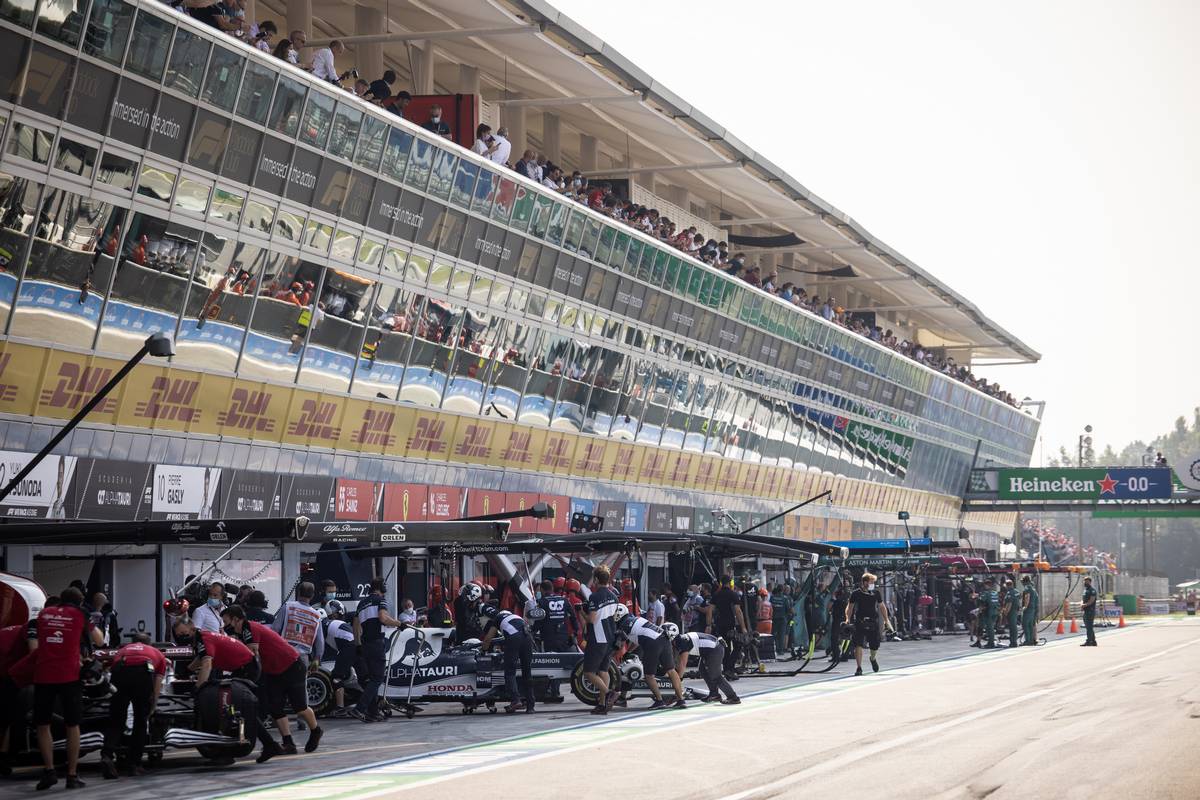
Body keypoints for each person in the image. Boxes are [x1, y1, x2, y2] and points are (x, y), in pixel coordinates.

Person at [172, 616, 282, 762]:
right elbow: (201, 658)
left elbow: (207, 664)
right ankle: (269, 745)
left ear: (192, 629)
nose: (182, 637)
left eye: (183, 633)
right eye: (178, 635)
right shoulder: (201, 638)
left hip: (247, 667)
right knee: (238, 709)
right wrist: (187, 671)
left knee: (236, 708)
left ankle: (232, 752)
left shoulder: (204, 639)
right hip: (244, 667)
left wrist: (199, 688)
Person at [222, 606, 322, 755]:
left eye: (226, 622)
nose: (225, 626)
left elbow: (252, 652)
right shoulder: (242, 633)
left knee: (300, 707)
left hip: (291, 666)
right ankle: (288, 743)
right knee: (275, 708)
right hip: (274, 671)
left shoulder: (249, 627)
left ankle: (316, 730)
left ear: (236, 619)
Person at [32, 587, 104, 790]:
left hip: (43, 674)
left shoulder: (44, 614)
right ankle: (72, 775)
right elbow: (99, 640)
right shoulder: (80, 613)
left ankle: (49, 771)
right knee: (72, 725)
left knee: (42, 724)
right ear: (80, 602)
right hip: (69, 676)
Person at [100, 633, 167, 779]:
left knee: (116, 719)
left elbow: (108, 670)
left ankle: (107, 755)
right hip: (142, 673)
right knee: (140, 722)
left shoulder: (122, 650)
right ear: (149, 644)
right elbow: (157, 684)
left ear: (132, 642)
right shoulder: (156, 653)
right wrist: (153, 705)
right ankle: (134, 764)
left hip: (120, 670)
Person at [349, 577, 405, 722]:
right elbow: (383, 618)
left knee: (371, 680)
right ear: (381, 588)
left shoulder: (361, 603)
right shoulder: (381, 600)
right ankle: (359, 709)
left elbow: (355, 625)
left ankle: (373, 713)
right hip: (376, 643)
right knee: (377, 679)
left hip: (365, 645)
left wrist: (358, 644)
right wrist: (399, 624)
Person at [614, 605, 685, 709]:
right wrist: (629, 651)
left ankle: (659, 701)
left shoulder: (624, 623)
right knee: (671, 670)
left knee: (648, 675)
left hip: (653, 643)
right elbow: (638, 638)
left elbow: (619, 643)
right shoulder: (636, 619)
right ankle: (681, 700)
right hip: (664, 639)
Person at [478, 604, 534, 713]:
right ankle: (530, 706)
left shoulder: (498, 618)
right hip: (528, 638)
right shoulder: (517, 617)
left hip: (514, 639)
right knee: (527, 672)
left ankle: (515, 700)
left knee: (510, 672)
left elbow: (488, 638)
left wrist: (483, 651)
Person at [668, 624, 739, 705]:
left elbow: (682, 664)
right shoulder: (680, 639)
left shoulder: (682, 642)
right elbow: (677, 662)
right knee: (702, 670)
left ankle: (733, 697)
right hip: (710, 649)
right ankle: (714, 694)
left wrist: (678, 680)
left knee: (716, 676)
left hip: (714, 649)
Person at [582, 565, 619, 715]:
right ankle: (602, 704)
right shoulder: (614, 596)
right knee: (603, 670)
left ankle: (610, 693)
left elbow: (591, 619)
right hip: (610, 638)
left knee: (588, 672)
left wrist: (580, 612)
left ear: (596, 579)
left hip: (598, 638)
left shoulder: (594, 596)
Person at [0, 617, 33, 775]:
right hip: (5, 673)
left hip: (8, 672)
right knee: (9, 715)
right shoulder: (33, 626)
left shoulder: (19, 628)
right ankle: (5, 756)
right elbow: (34, 651)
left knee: (9, 715)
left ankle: (5, 755)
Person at [845, 572, 892, 676]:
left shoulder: (876, 593)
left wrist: (886, 620)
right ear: (865, 582)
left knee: (874, 645)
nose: (872, 584)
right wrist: (847, 619)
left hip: (873, 621)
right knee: (858, 644)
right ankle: (859, 668)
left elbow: (882, 606)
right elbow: (850, 607)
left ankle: (873, 658)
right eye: (871, 582)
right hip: (860, 621)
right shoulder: (856, 593)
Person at [272, 581, 325, 668]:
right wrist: (317, 658)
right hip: (303, 658)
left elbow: (275, 629)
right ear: (312, 595)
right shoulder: (316, 615)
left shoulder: (287, 606)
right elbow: (320, 640)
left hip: (285, 654)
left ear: (298, 592)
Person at [320, 600, 357, 716]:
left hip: (349, 647)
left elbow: (318, 645)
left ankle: (340, 707)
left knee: (336, 677)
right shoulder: (341, 622)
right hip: (356, 644)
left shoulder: (322, 625)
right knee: (362, 677)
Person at [712, 575, 746, 677]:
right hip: (730, 624)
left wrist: (709, 624)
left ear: (721, 583)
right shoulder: (733, 594)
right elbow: (738, 611)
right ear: (730, 582)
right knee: (738, 645)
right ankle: (730, 668)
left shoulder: (716, 595)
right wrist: (743, 627)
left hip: (719, 624)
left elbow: (710, 610)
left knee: (725, 647)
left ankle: (726, 669)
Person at [979, 579, 999, 649]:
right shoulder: (995, 593)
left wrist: (977, 597)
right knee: (991, 628)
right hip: (995, 612)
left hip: (988, 612)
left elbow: (982, 601)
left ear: (987, 585)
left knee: (989, 628)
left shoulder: (986, 593)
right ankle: (991, 642)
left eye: (985, 585)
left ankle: (991, 643)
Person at [1021, 575, 1040, 647]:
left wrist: (1025, 607)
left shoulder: (1027, 588)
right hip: (1033, 610)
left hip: (1028, 609)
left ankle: (1028, 641)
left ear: (1025, 581)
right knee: (1031, 625)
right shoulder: (1033, 589)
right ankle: (1032, 640)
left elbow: (1027, 597)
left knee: (1025, 625)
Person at [1081, 576, 1098, 646]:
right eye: (1085, 581)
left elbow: (1091, 600)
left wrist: (1084, 605)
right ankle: (1093, 641)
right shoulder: (1085, 590)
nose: (1085, 582)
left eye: (1087, 581)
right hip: (1085, 610)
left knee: (1089, 627)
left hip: (1090, 611)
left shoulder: (1092, 590)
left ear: (1090, 582)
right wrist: (1081, 604)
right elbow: (1083, 599)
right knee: (1088, 626)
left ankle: (1089, 641)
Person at [1004, 579, 1021, 648]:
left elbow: (1009, 604)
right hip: (1016, 611)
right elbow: (1019, 600)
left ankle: (1013, 642)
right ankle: (1014, 641)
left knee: (1012, 627)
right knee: (1014, 627)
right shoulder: (1017, 591)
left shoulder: (1009, 593)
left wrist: (1006, 612)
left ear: (1007, 585)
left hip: (1011, 612)